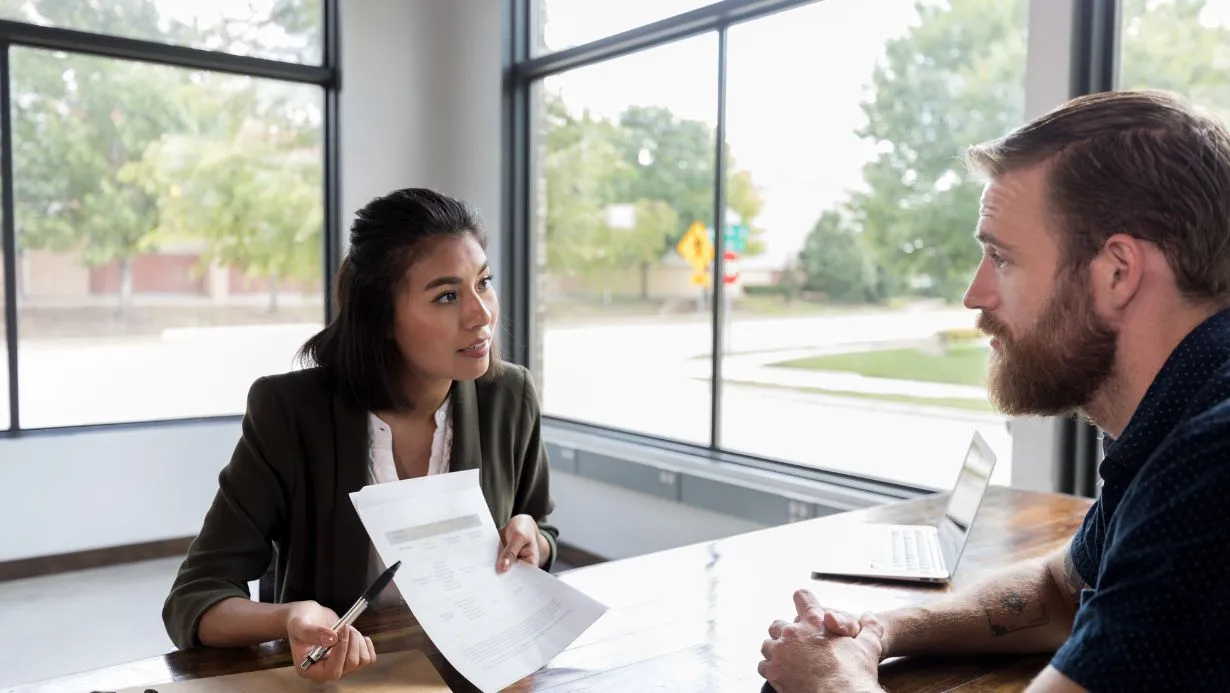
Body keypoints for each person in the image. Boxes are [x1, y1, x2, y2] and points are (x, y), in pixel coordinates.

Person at [757, 89, 1230, 693]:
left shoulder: (1212, 466)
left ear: (1117, 271)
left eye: (1002, 258)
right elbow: (1061, 593)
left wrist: (827, 681)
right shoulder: (1177, 416)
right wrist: (875, 631)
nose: (975, 295)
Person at [162, 188, 558, 684]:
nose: (481, 314)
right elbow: (193, 599)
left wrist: (531, 539)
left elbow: (540, 528)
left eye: (484, 282)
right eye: (447, 296)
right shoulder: (290, 413)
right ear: (381, 317)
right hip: (346, 680)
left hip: (475, 675)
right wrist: (289, 617)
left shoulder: (508, 396)